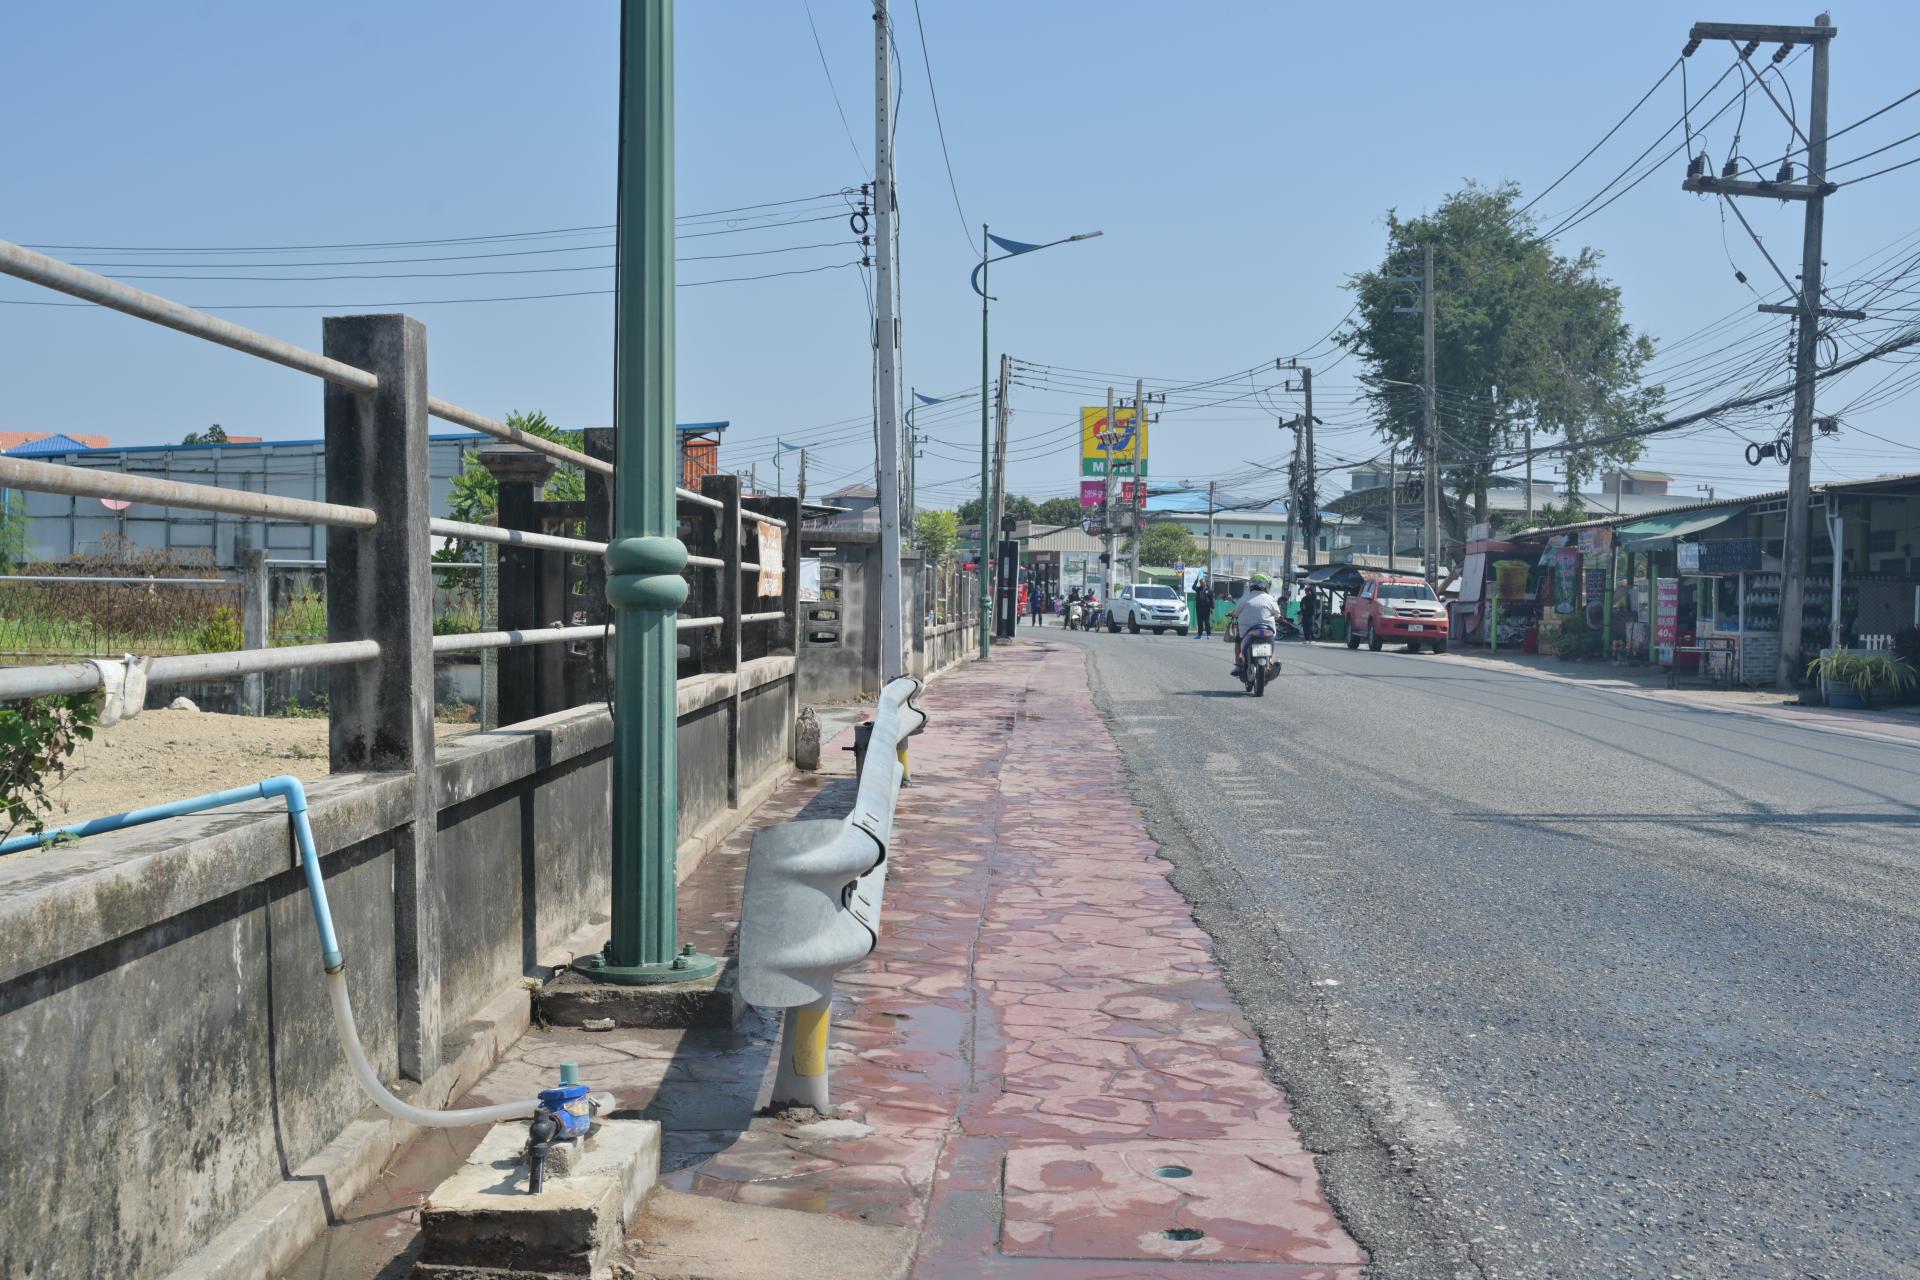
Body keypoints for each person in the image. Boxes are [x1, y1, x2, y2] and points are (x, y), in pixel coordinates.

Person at [1232, 573, 1283, 676]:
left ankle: (1238, 663)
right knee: (1271, 644)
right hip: (1268, 630)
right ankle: (1273, 659)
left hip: (1247, 631)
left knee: (1238, 642)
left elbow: (1236, 613)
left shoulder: (1245, 598)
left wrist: (1231, 613)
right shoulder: (1270, 598)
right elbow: (1277, 615)